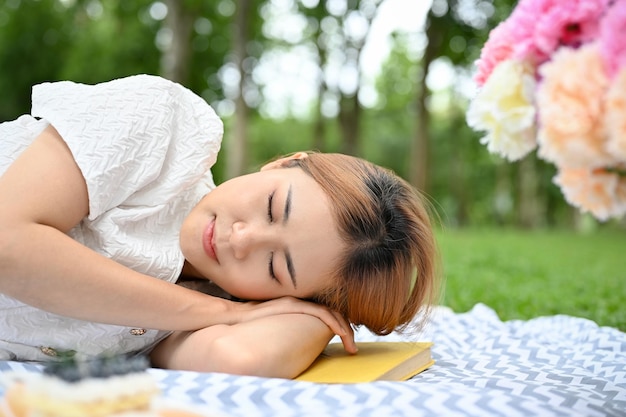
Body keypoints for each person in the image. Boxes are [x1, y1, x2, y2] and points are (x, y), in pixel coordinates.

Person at [0, 75, 439, 379]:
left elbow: (242, 358)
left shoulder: (209, 304)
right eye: (272, 207)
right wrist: (231, 312)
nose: (242, 239)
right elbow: (8, 243)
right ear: (286, 162)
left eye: (275, 267)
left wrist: (326, 315)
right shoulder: (166, 130)